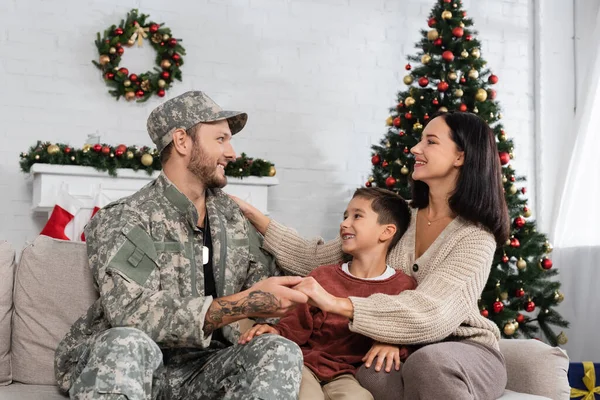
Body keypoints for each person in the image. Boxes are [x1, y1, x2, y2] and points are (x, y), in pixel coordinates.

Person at [232, 111, 510, 400]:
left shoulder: (475, 237)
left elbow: (433, 313)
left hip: (463, 350)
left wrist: (341, 306)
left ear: (460, 157)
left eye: (430, 141)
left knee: (429, 364)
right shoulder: (400, 218)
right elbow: (315, 260)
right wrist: (254, 216)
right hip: (406, 348)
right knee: (370, 374)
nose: (416, 149)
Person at [54, 91, 307, 400]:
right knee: (126, 342)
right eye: (220, 139)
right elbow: (130, 311)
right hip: (136, 365)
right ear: (182, 141)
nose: (232, 153)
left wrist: (271, 325)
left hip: (205, 367)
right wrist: (241, 305)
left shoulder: (233, 218)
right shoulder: (128, 217)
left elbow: (264, 286)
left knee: (278, 350)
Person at [239, 187, 417, 400]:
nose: (344, 223)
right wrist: (276, 332)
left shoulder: (402, 286)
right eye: (345, 216)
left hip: (345, 374)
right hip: (305, 363)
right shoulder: (322, 276)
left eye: (357, 216)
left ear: (386, 232)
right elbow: (296, 322)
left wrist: (394, 342)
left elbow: (410, 328)